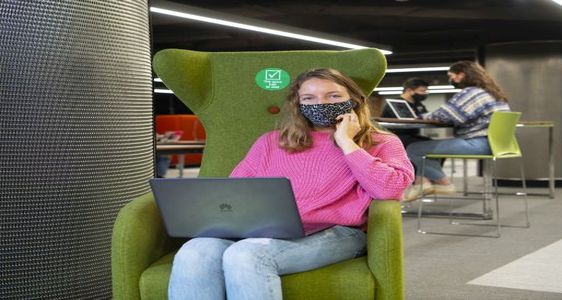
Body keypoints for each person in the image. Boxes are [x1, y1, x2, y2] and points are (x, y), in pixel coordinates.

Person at [168, 68, 414, 300]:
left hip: (336, 232)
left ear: (354, 100)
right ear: (299, 105)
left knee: (246, 255)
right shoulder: (270, 142)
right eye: (309, 97)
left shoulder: (382, 142)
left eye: (333, 95)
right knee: (194, 251)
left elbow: (390, 188)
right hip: (264, 229)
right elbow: (235, 191)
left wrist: (347, 143)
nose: (321, 103)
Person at [403, 61, 511, 201]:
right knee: (429, 148)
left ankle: (443, 183)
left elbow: (446, 115)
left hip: (479, 143)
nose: (451, 79)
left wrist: (419, 117)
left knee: (414, 149)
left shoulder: (472, 92)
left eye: (452, 76)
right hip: (496, 144)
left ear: (462, 74)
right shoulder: (494, 94)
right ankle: (423, 183)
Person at [381, 77, 432, 147]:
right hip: (396, 137)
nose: (424, 93)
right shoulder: (395, 103)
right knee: (428, 146)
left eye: (425, 91)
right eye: (422, 91)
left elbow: (427, 117)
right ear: (409, 90)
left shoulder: (419, 104)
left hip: (412, 136)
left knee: (434, 145)